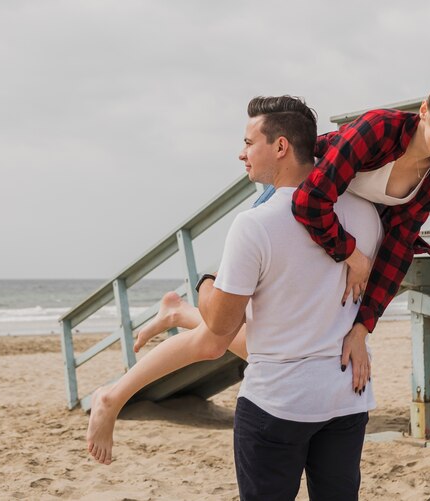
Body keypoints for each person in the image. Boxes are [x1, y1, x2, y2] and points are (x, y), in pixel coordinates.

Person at [134, 63, 430, 392]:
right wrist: (352, 254)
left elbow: (399, 245)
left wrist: (362, 328)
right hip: (300, 200)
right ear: (424, 112)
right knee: (218, 336)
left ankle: (177, 313)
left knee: (262, 342)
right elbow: (311, 200)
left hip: (335, 221)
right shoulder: (380, 128)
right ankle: (204, 288)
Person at [88, 96, 384, 500]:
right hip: (346, 400)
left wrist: (208, 280)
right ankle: (171, 321)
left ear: (280, 147)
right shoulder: (367, 214)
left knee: (215, 335)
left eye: (248, 142)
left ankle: (170, 322)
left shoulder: (256, 223)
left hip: (279, 405)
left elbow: (223, 325)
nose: (241, 153)